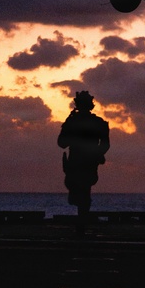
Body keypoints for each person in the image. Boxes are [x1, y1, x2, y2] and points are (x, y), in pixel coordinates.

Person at [57, 91, 110, 224]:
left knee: (82, 193)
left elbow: (62, 143)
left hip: (79, 163)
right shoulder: (98, 123)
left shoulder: (73, 122)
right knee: (82, 192)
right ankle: (83, 217)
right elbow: (105, 145)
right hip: (85, 163)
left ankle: (82, 219)